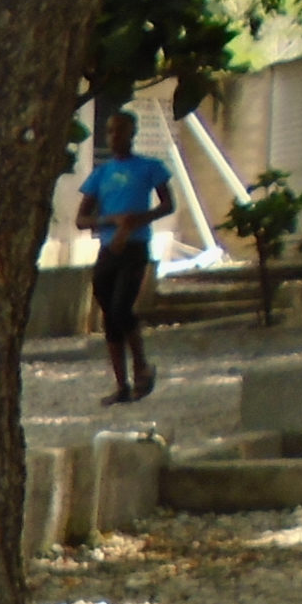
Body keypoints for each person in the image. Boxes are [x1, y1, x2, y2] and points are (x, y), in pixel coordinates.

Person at [75, 110, 175, 404]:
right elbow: (81, 219)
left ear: (132, 133)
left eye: (120, 131)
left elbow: (168, 204)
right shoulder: (100, 174)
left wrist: (139, 219)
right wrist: (111, 221)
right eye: (110, 131)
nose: (114, 137)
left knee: (121, 308)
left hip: (135, 248)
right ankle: (121, 386)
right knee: (109, 314)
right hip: (109, 249)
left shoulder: (150, 167)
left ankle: (142, 366)